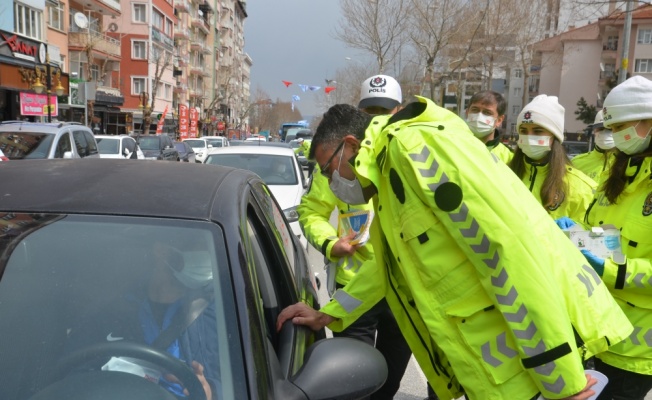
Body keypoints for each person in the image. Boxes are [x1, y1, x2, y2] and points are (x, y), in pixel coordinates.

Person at [278, 97, 633, 400]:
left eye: (328, 168)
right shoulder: (388, 171)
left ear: (352, 145)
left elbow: (506, 251)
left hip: (537, 365)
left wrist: (562, 377)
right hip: (502, 366)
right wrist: (330, 314)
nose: (330, 181)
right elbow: (388, 264)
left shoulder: (414, 151)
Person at [295, 74, 412, 400]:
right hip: (355, 287)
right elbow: (311, 212)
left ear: (398, 111)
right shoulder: (337, 165)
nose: (377, 119)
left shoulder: (406, 169)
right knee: (352, 386)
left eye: (385, 110)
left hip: (400, 293)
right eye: (370, 110)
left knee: (387, 385)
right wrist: (332, 245)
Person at [66, 240, 218, 400]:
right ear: (162, 251)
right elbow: (72, 374)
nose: (206, 258)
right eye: (196, 246)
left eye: (209, 250)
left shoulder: (216, 313)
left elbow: (237, 382)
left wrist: (211, 392)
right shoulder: (109, 311)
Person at [579, 75, 652, 399]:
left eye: (624, 125)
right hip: (595, 332)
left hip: (636, 352)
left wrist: (611, 270)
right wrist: (577, 237)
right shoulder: (615, 175)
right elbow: (606, 237)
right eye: (611, 127)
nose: (617, 135)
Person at [510, 94, 596, 222]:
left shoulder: (580, 186)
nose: (529, 137)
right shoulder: (504, 174)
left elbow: (589, 232)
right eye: (523, 131)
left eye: (538, 131)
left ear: (555, 137)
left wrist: (575, 230)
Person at [465, 90, 513, 163]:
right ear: (467, 113)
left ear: (499, 120)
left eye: (487, 112)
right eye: (475, 110)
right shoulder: (452, 144)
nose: (479, 117)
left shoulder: (509, 157)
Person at [571, 110, 616, 181]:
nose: (604, 133)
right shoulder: (576, 163)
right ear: (594, 131)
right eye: (600, 129)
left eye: (609, 129)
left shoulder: (627, 162)